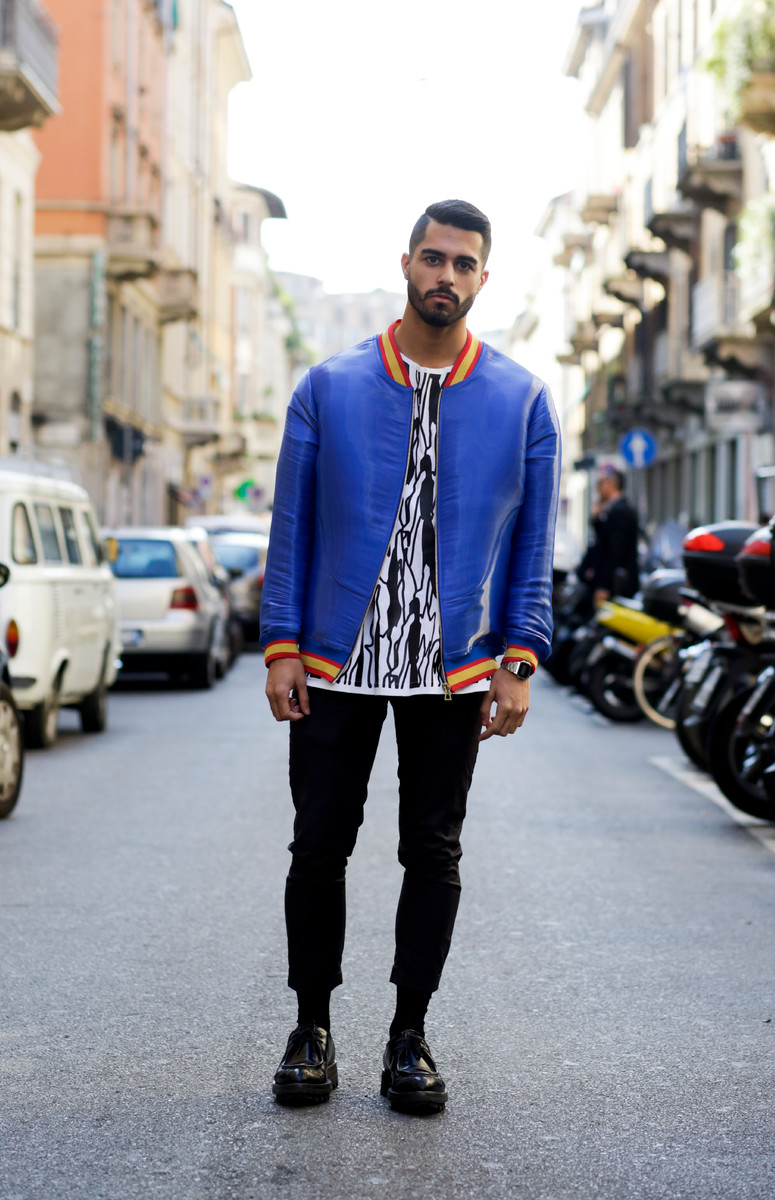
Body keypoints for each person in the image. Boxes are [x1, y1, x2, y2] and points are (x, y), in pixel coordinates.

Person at [260, 199, 561, 1114]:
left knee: (433, 850)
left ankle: (409, 1035)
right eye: (433, 258)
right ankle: (311, 1030)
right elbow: (291, 526)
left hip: (453, 668)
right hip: (334, 662)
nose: (446, 276)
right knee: (319, 846)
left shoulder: (522, 399)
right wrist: (280, 647)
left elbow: (533, 546)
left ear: (483, 279)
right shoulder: (329, 387)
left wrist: (520, 658)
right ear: (405, 264)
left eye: (463, 264)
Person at [590, 466, 640, 606]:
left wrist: (604, 586)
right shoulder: (612, 509)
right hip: (615, 581)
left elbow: (614, 550)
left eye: (601, 483)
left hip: (616, 584)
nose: (598, 488)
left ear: (611, 484)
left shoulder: (620, 511)